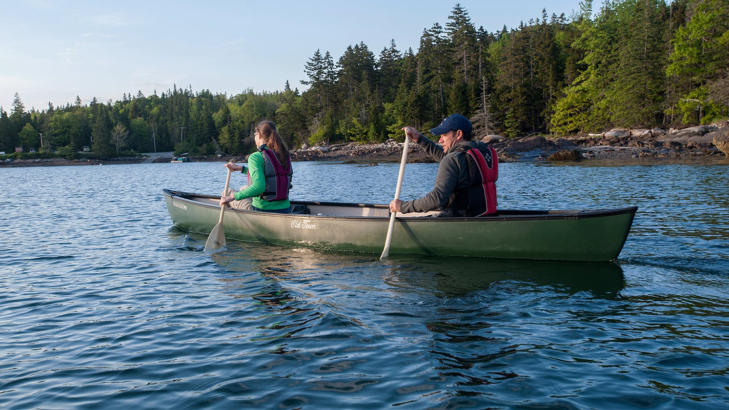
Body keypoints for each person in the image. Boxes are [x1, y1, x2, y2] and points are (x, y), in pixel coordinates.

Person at [389, 113, 498, 217]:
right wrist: (419, 138)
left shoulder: (453, 159)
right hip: (485, 215)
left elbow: (437, 199)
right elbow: (445, 156)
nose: (440, 140)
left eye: (444, 135)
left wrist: (402, 206)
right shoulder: (479, 152)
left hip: (459, 220)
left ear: (459, 134)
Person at [220, 120, 293, 213]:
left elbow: (259, 187)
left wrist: (230, 198)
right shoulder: (284, 155)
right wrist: (241, 169)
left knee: (228, 192)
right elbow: (272, 174)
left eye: (255, 133)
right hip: (285, 209)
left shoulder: (256, 157)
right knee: (244, 188)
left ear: (258, 135)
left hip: (262, 210)